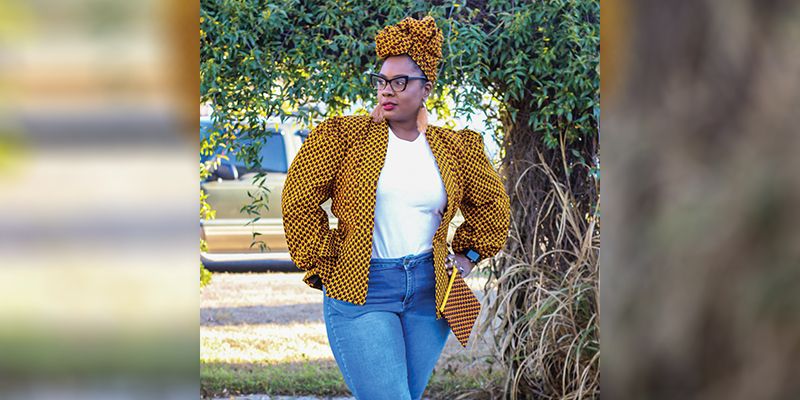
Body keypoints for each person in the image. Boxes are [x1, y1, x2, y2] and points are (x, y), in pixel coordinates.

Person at [281, 15, 511, 400]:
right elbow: (298, 200)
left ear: (426, 88)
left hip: (430, 291)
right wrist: (327, 260)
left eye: (400, 81)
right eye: (382, 80)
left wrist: (468, 256)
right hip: (362, 288)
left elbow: (492, 207)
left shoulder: (455, 147)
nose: (387, 90)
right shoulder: (344, 138)